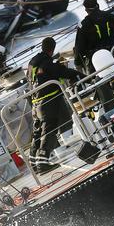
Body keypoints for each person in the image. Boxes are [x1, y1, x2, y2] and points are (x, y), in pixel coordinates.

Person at [27, 37, 85, 174]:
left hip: (35, 103)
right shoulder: (48, 62)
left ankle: (33, 162)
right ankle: (42, 161)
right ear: (52, 49)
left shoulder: (32, 62)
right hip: (47, 101)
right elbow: (63, 72)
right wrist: (79, 75)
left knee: (38, 132)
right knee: (49, 130)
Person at [74, 0, 114, 109]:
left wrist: (77, 62)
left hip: (96, 61)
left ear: (86, 9)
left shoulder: (84, 25)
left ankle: (111, 109)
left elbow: (79, 47)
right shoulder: (111, 17)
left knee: (102, 85)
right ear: (97, 5)